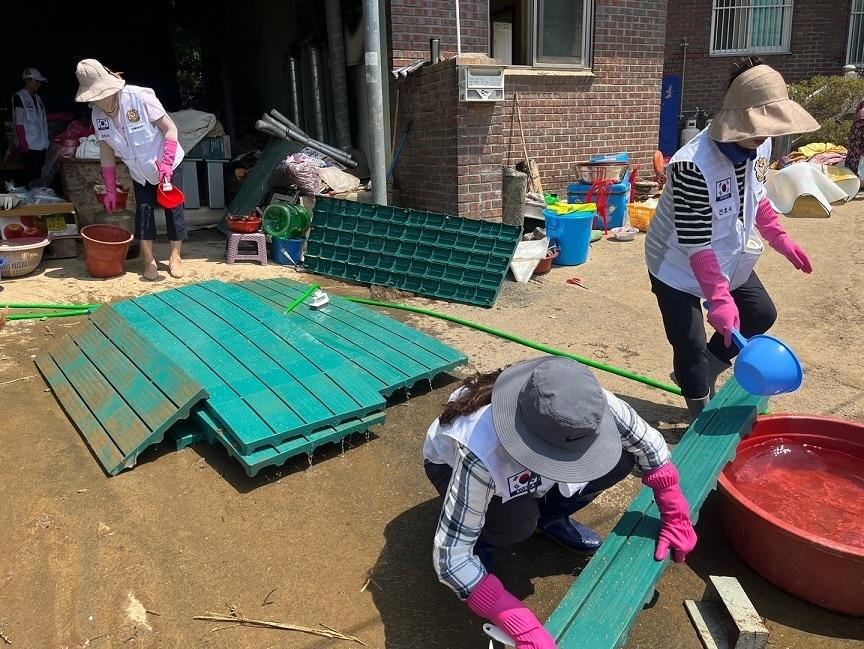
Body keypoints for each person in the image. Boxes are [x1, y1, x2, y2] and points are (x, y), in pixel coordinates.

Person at [423, 356, 696, 648]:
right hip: (451, 469)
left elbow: (650, 444)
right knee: (516, 525)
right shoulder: (480, 449)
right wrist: (516, 621)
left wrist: (675, 510)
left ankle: (550, 519)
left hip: (523, 469)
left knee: (620, 459)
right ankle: (485, 540)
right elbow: (451, 558)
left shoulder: (583, 406)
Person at [644, 59, 820, 417]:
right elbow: (696, 242)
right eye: (761, 128)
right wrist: (719, 299)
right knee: (690, 342)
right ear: (738, 120)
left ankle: (700, 372)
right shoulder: (692, 164)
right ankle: (698, 409)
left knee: (759, 313)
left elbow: (758, 198)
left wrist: (781, 240)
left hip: (727, 255)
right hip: (677, 264)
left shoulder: (760, 146)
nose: (766, 137)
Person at [73, 58, 186, 280]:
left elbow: (170, 130)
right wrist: (110, 189)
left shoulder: (140, 98)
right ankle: (149, 260)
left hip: (167, 163)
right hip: (139, 171)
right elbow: (106, 152)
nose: (99, 101)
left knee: (174, 210)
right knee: (143, 211)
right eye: (93, 98)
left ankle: (175, 256)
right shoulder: (97, 115)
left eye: (101, 95)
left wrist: (166, 162)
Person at [12, 68, 50, 186]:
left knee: (39, 174)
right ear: (28, 80)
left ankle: (37, 199)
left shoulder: (38, 98)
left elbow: (41, 118)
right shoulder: (19, 96)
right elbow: (19, 122)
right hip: (29, 144)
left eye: (40, 82)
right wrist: (23, 143)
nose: (39, 84)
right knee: (29, 174)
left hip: (42, 143)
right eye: (36, 81)